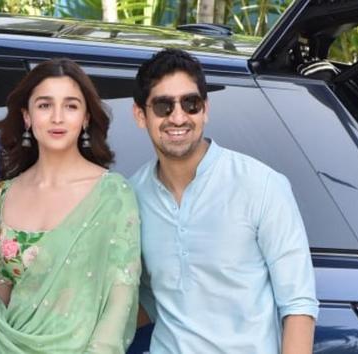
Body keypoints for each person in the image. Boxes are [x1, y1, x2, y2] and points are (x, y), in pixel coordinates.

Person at [129, 48, 319, 354]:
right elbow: (148, 299)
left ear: (205, 109)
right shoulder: (131, 196)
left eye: (190, 104)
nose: (178, 117)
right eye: (163, 106)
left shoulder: (262, 185)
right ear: (141, 115)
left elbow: (298, 305)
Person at [0, 58, 141, 353]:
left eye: (70, 106)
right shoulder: (2, 196)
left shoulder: (112, 194)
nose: (57, 117)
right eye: (44, 105)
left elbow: (122, 295)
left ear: (85, 118)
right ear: (27, 116)